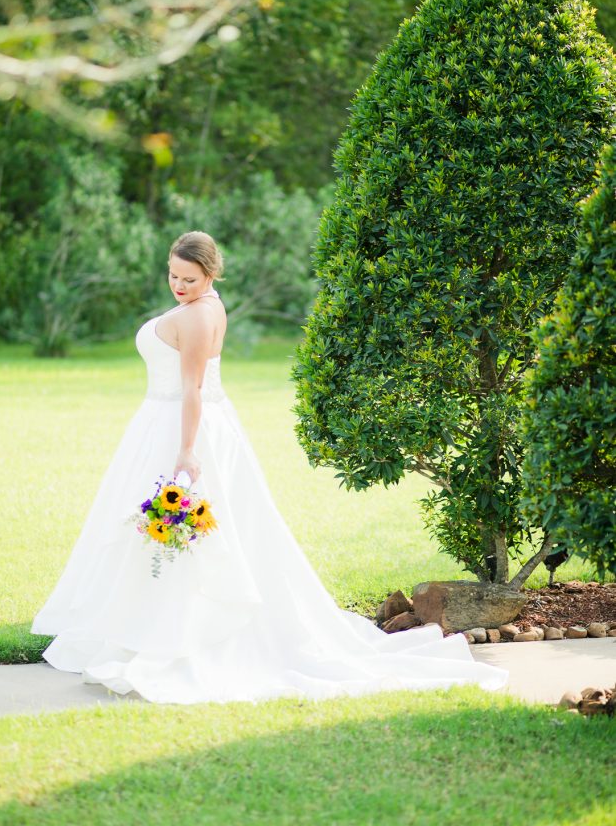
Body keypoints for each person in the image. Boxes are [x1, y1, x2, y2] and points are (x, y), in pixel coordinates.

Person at [31, 230, 509, 704]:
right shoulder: (204, 305)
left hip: (183, 427)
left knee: (189, 536)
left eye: (190, 279)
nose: (178, 285)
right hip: (169, 420)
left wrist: (186, 452)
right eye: (173, 276)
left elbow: (193, 388)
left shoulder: (199, 317)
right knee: (165, 534)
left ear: (211, 274)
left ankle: (181, 634)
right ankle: (145, 624)